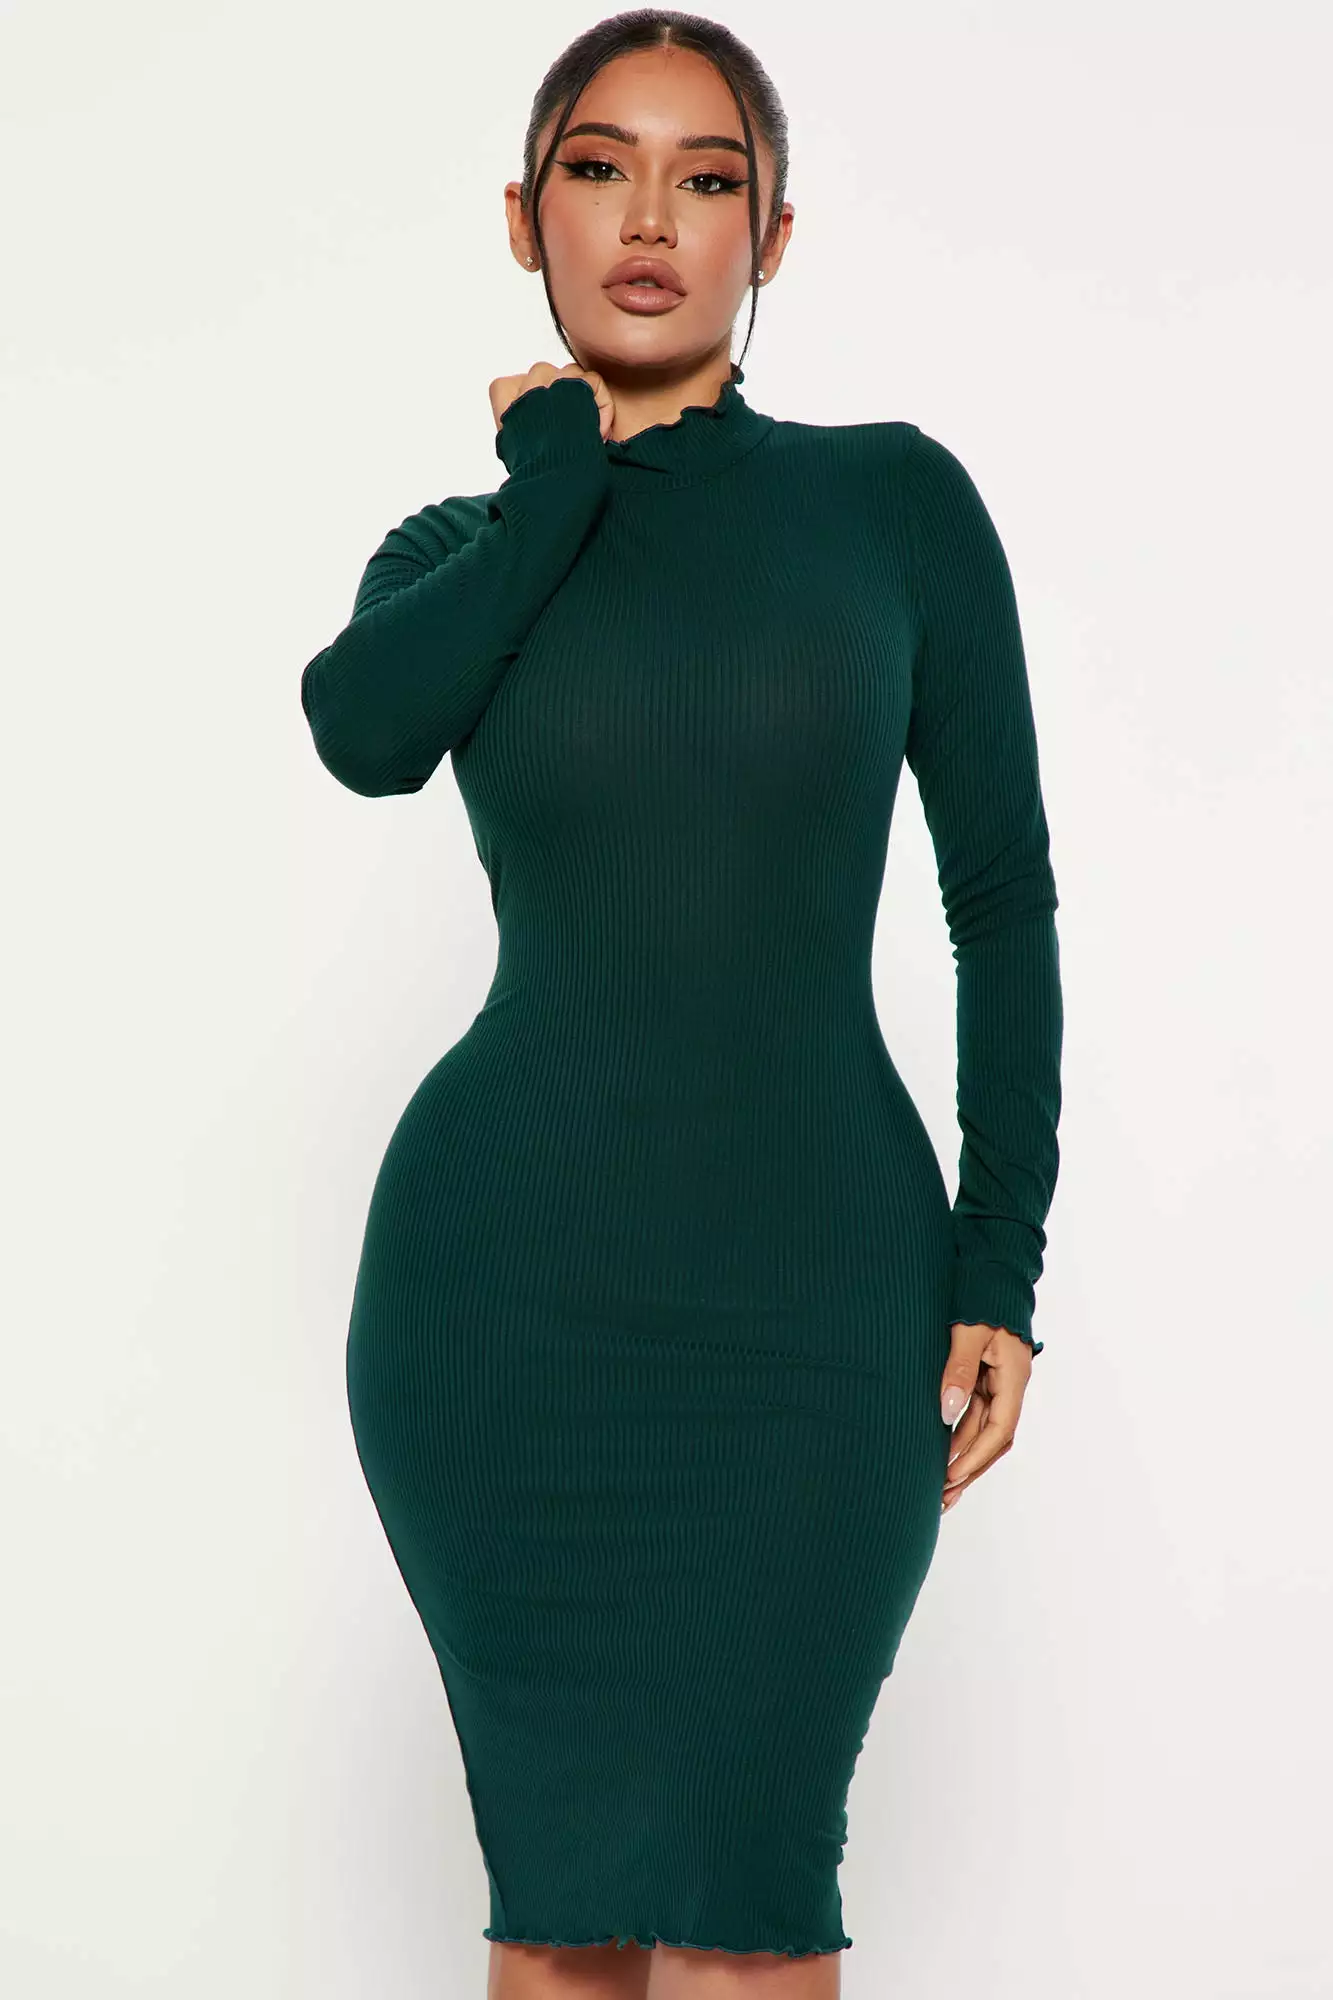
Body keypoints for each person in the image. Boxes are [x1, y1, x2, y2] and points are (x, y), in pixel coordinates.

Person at [299, 13, 1063, 1998]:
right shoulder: (461, 554)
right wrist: (554, 474)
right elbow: (363, 734)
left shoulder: (894, 509)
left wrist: (1000, 1261)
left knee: (753, 1905)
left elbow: (1000, 899)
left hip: (818, 1321)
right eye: (598, 167)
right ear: (524, 215)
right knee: (559, 1916)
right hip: (502, 1319)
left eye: (707, 178)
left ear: (772, 237)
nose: (649, 219)